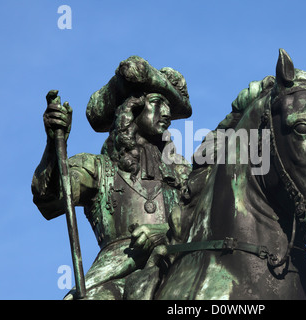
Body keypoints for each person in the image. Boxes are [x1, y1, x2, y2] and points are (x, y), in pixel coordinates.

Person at [31, 56, 192, 299]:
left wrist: (161, 232)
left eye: (170, 106)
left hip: (174, 267)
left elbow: (204, 222)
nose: (167, 114)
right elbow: (50, 197)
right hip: (114, 278)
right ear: (132, 108)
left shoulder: (182, 173)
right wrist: (53, 145)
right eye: (158, 102)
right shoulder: (97, 168)